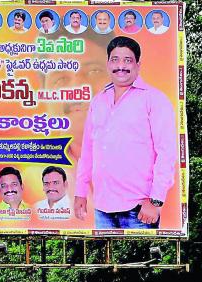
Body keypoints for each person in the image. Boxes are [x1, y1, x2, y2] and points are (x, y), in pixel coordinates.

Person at [74, 36, 177, 229]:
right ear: (108, 64)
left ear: (138, 64)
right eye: (115, 60)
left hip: (139, 210)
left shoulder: (154, 99)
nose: (120, 66)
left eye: (127, 60)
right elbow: (88, 150)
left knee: (140, 260)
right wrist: (80, 191)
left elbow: (167, 153)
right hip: (102, 209)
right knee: (104, 260)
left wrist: (155, 201)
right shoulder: (98, 101)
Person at [41, 29, 111, 162]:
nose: (77, 87)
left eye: (94, 71)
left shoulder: (157, 162)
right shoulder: (31, 179)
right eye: (60, 79)